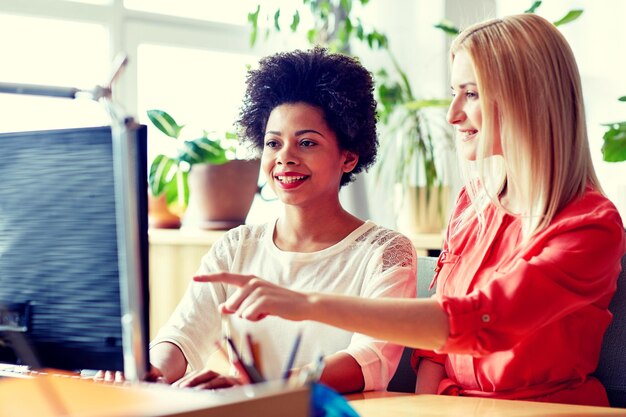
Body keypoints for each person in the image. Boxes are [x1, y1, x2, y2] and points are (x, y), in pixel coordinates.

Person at [196, 14, 626, 406]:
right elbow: (434, 351)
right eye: (454, 94)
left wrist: (306, 303)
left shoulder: (591, 227)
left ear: (529, 98)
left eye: (471, 94)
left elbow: (475, 321)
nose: (454, 114)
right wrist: (429, 409)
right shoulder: (473, 207)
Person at [147, 47, 417, 394]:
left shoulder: (385, 253)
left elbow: (369, 359)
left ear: (348, 157)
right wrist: (151, 372)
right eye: (273, 143)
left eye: (306, 143)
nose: (284, 158)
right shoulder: (236, 247)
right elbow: (182, 336)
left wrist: (264, 388)